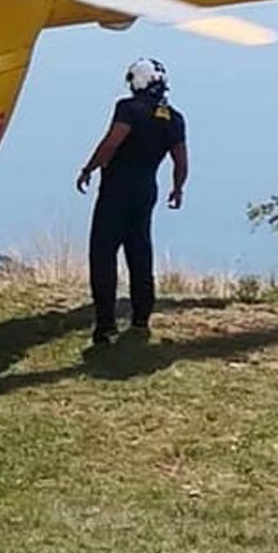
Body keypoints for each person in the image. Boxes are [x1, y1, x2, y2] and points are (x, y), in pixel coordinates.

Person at [75, 58, 188, 346]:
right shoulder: (174, 119)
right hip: (146, 191)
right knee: (140, 253)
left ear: (137, 81)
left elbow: (112, 142)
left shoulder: (128, 109)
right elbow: (181, 161)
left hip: (116, 191)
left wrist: (89, 168)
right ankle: (141, 318)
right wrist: (177, 189)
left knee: (103, 254)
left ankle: (105, 324)